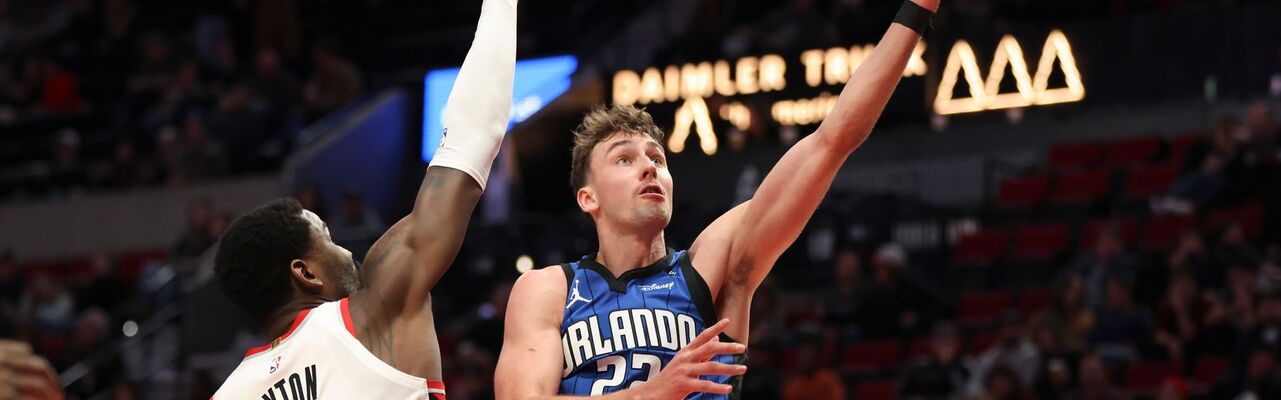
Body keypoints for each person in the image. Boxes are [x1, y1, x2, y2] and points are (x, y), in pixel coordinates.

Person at [494, 1, 940, 398]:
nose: (650, 167)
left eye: (657, 158)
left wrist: (918, 9)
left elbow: (831, 140)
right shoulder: (549, 289)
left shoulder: (711, 267)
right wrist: (652, 394)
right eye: (624, 160)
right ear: (588, 198)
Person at [209, 0, 516, 397]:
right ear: (305, 273)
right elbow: (470, 141)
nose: (348, 252)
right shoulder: (371, 314)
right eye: (328, 238)